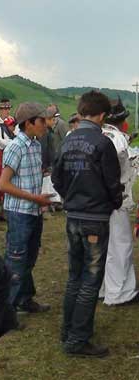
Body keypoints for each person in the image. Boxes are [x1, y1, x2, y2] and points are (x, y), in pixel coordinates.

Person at [52, 91, 123, 358]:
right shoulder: (102, 143)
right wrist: (113, 202)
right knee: (90, 281)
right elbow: (112, 183)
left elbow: (57, 178)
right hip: (95, 218)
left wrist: (69, 197)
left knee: (74, 276)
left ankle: (68, 329)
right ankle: (77, 339)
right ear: (102, 116)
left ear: (81, 112)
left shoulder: (68, 140)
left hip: (73, 216)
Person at [0, 102, 53, 314]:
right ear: (29, 123)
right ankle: (6, 310)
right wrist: (35, 198)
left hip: (33, 210)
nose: (46, 125)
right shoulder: (15, 146)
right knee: (16, 259)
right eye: (42, 121)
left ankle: (24, 298)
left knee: (29, 257)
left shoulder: (36, 145)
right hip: (20, 212)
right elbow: (3, 184)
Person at [99, 98, 138, 305]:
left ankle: (103, 288)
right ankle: (120, 292)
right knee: (120, 245)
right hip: (116, 199)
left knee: (101, 246)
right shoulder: (119, 139)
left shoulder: (95, 133)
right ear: (122, 121)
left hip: (96, 200)